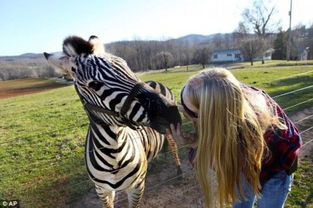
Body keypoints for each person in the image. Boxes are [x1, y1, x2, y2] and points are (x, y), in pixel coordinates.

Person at [166, 68, 301, 208]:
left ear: (214, 115)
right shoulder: (224, 93)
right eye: (183, 100)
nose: (186, 114)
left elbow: (221, 164)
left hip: (277, 166)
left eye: (192, 113)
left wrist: (194, 143)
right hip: (244, 163)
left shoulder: (247, 128)